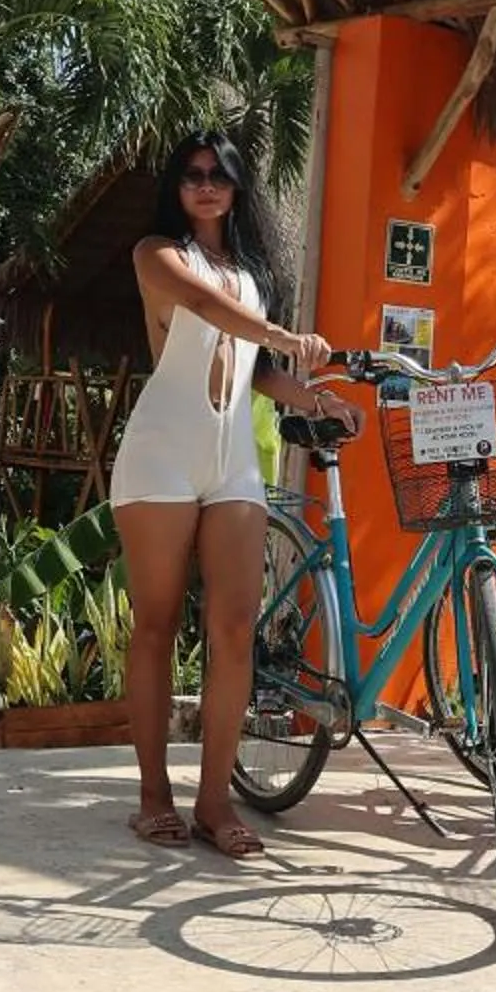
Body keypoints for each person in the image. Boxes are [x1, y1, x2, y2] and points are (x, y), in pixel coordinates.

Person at [111, 130, 356, 858]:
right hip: (162, 453)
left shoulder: (252, 272)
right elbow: (207, 311)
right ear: (175, 187)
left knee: (235, 629)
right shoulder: (157, 254)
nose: (206, 185)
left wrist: (314, 400)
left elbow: (253, 370)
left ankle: (215, 802)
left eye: (219, 174)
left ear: (240, 184)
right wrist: (286, 331)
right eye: (191, 175)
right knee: (155, 624)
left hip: (230, 463)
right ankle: (153, 795)